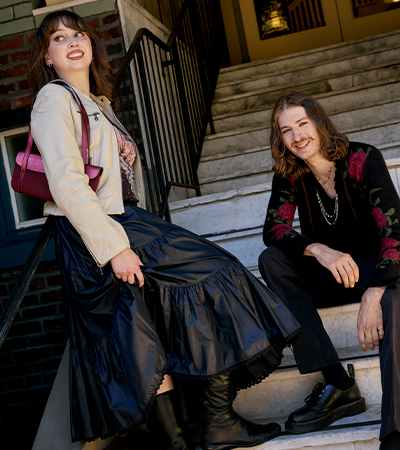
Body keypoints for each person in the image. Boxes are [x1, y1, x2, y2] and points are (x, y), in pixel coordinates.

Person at [27, 11, 305, 450]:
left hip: (122, 223)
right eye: (59, 38)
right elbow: (66, 181)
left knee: (150, 326)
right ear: (48, 55)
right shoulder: (54, 98)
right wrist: (114, 247)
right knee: (216, 273)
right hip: (98, 234)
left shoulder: (96, 102)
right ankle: (197, 431)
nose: (72, 42)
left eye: (78, 34)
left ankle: (209, 426)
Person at [258, 92, 400, 450]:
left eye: (302, 124)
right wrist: (318, 249)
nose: (297, 136)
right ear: (280, 139)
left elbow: (395, 236)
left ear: (319, 123)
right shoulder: (290, 174)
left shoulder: (362, 159)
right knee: (271, 260)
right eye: (286, 130)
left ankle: (396, 436)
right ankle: (338, 382)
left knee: (398, 303)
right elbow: (274, 229)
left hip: (389, 265)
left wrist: (374, 292)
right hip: (340, 272)